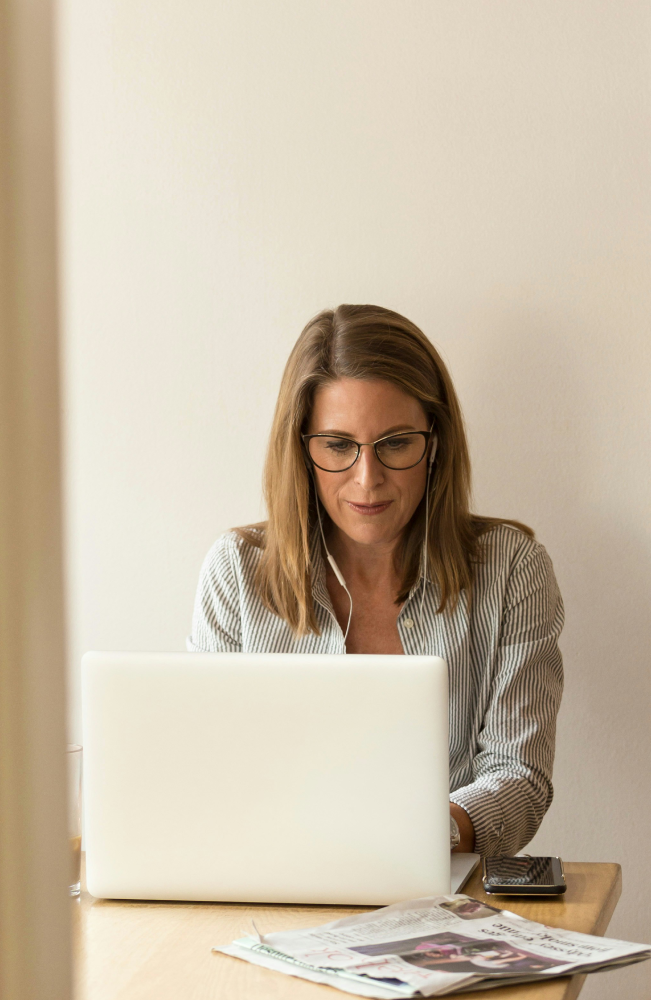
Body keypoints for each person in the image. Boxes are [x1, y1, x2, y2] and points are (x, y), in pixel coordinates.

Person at [187, 304, 564, 857]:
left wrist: (419, 835)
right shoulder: (236, 572)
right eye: (338, 446)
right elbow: (205, 775)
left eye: (395, 443)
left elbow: (520, 778)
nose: (368, 479)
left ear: (434, 442)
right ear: (302, 449)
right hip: (271, 887)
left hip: (443, 897)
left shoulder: (511, 569)